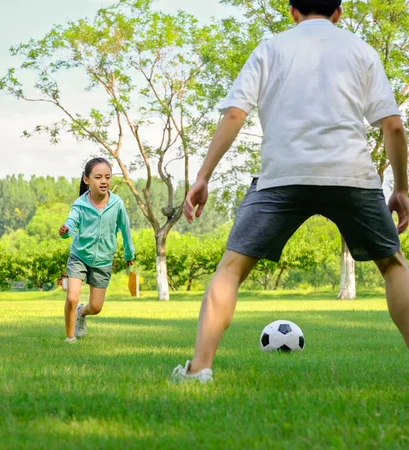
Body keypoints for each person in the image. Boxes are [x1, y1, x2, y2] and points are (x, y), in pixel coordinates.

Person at [172, 0, 409, 383]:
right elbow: (394, 126)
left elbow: (235, 114)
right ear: (339, 12)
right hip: (351, 176)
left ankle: (199, 370)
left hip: (282, 178)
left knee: (230, 270)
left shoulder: (271, 48)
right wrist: (400, 188)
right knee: (394, 265)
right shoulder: (361, 50)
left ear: (291, 10)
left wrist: (202, 176)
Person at [59, 157, 135, 342]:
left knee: (95, 307)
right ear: (87, 180)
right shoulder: (80, 204)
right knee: (72, 296)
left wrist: (129, 253)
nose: (104, 181)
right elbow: (71, 223)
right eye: (98, 177)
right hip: (79, 256)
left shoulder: (117, 204)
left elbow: (125, 229)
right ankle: (70, 338)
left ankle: (81, 313)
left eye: (107, 177)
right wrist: (65, 231)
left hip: (103, 260)